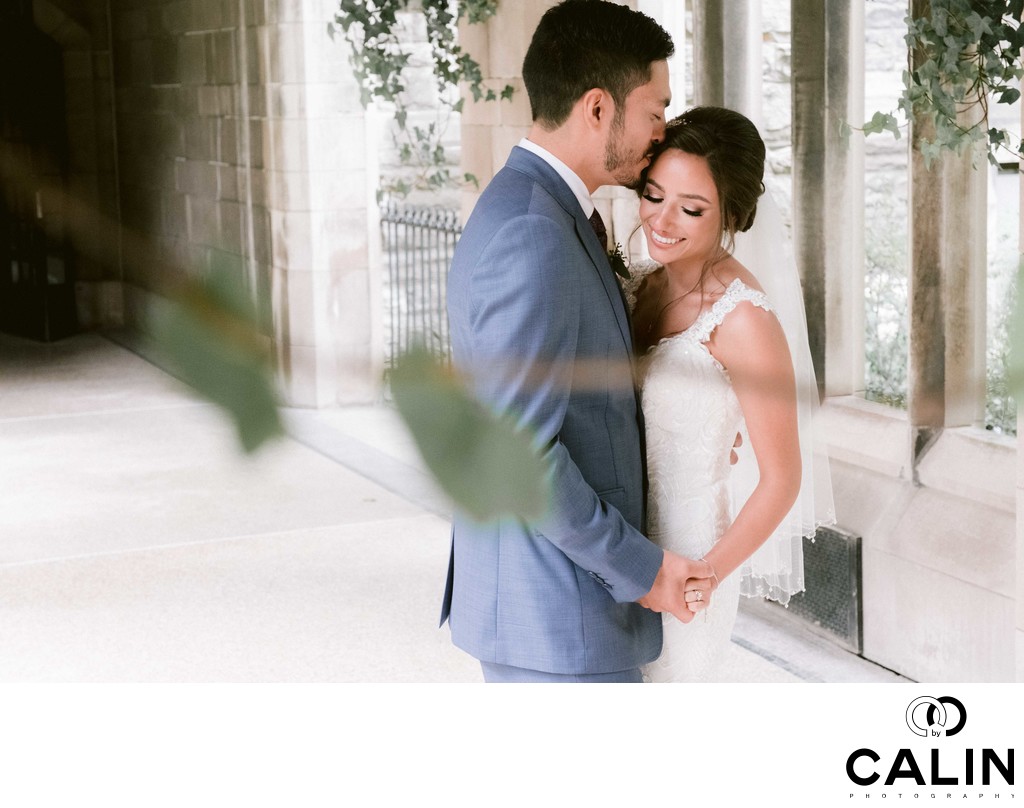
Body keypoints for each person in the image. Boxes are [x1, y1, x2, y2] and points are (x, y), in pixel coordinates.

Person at [440, 0, 715, 683]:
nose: (663, 131)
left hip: (547, 607)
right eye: (655, 111)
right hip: (556, 615)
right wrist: (644, 572)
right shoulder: (535, 232)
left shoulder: (536, 207)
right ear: (598, 108)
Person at [621, 106, 836, 682]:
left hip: (687, 551)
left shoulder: (742, 319)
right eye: (653, 194)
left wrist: (704, 576)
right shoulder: (635, 282)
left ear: (732, 216)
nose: (662, 221)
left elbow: (782, 478)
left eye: (691, 209)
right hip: (613, 544)